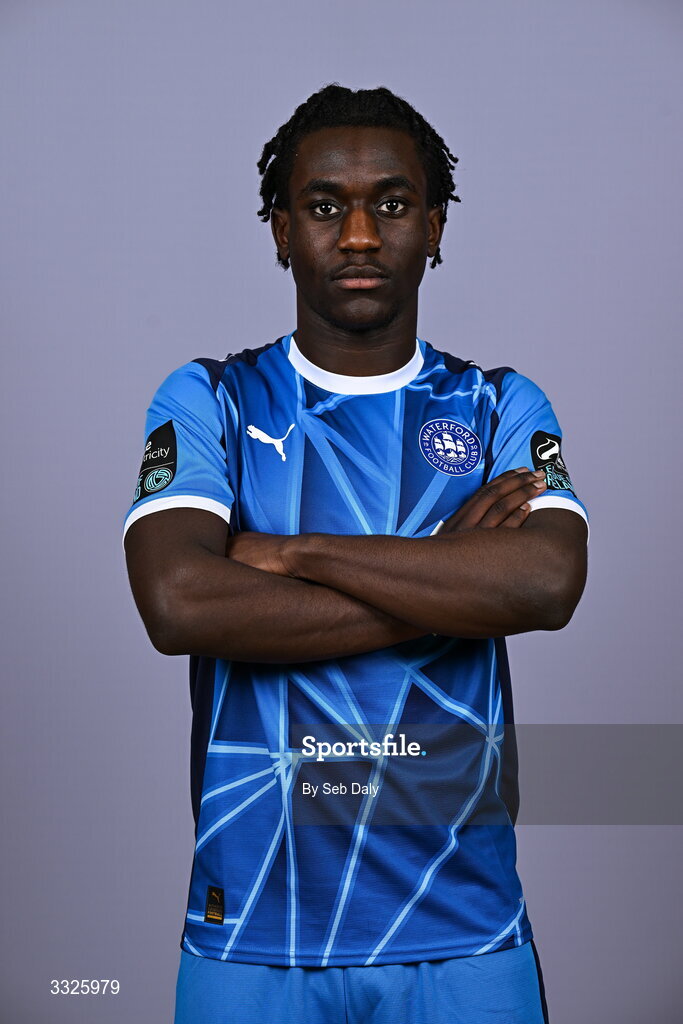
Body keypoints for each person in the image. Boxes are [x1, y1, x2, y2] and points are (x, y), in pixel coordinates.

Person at [123, 84, 588, 1024]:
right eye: (326, 206)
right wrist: (449, 569)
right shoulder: (209, 399)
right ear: (281, 232)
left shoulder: (501, 406)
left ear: (435, 226)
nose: (362, 234)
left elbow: (544, 580)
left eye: (392, 202)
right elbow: (179, 603)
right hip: (253, 929)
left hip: (464, 931)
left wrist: (286, 554)